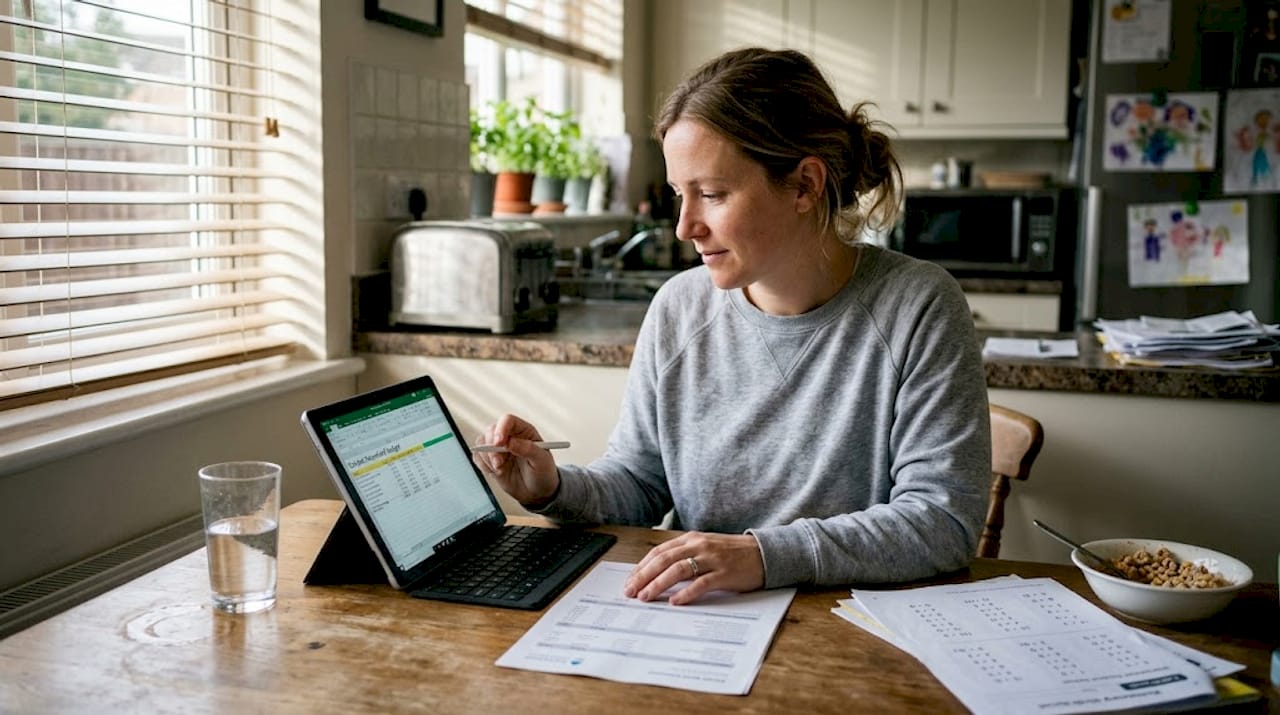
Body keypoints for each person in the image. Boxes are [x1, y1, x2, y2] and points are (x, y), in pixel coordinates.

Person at [474, 47, 990, 606]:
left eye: (712, 194)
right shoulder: (678, 309)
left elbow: (941, 519)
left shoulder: (919, 306)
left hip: (852, 631)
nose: (684, 227)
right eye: (679, 195)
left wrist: (763, 556)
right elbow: (642, 482)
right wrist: (553, 487)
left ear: (804, 185)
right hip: (700, 618)